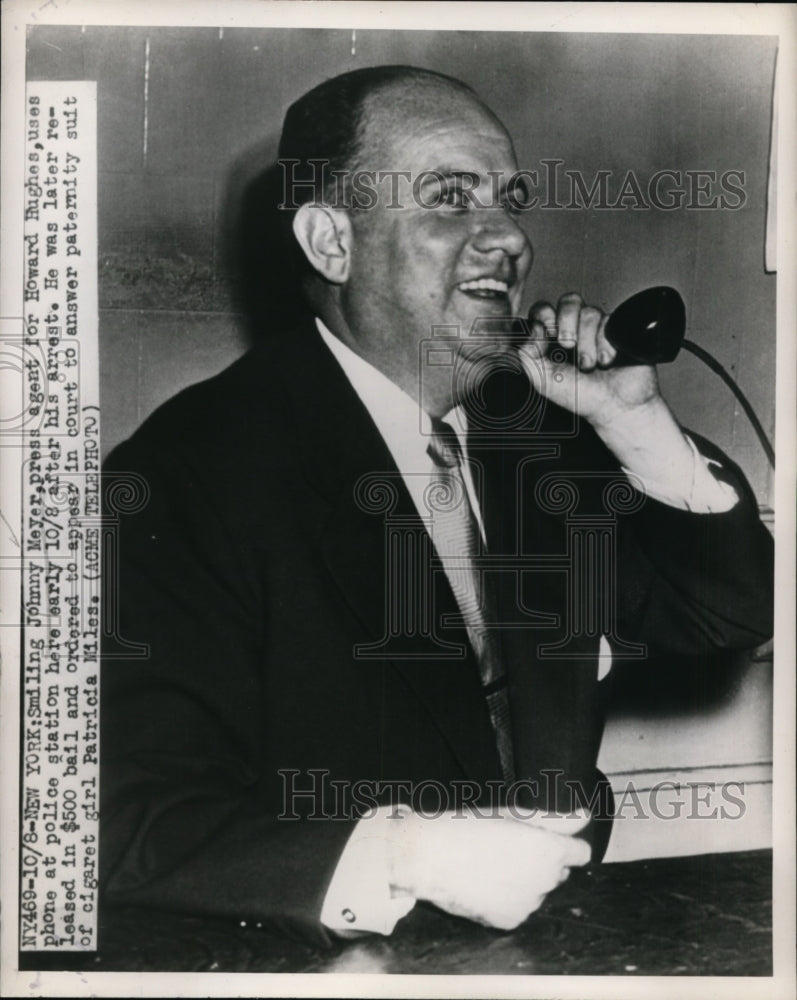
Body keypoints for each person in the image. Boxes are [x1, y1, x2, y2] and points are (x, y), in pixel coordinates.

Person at [100, 65, 773, 944]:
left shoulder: (540, 437)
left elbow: (727, 613)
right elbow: (122, 816)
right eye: (450, 199)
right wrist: (407, 856)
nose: (509, 238)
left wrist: (635, 423)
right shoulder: (187, 474)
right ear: (330, 241)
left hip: (548, 941)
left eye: (511, 201)